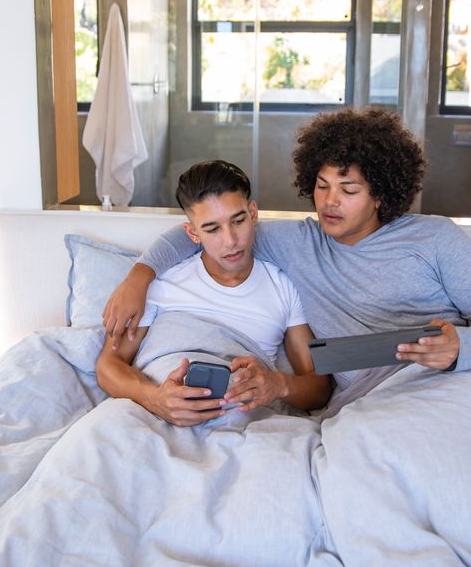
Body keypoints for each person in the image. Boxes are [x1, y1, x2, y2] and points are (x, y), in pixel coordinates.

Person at [103, 108, 471, 399]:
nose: (329, 202)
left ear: (382, 193)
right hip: (372, 402)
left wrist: (460, 346)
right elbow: (206, 231)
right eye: (322, 185)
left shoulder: (436, 237)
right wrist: (138, 277)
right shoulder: (297, 242)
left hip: (453, 382)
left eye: (349, 190)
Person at [96, 159, 330, 426]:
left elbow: (319, 387)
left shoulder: (283, 287)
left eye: (238, 221)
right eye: (212, 229)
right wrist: (153, 399)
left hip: (241, 423)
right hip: (154, 416)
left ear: (253, 214)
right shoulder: (162, 283)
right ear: (192, 233)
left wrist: (280, 385)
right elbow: (108, 365)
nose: (231, 241)